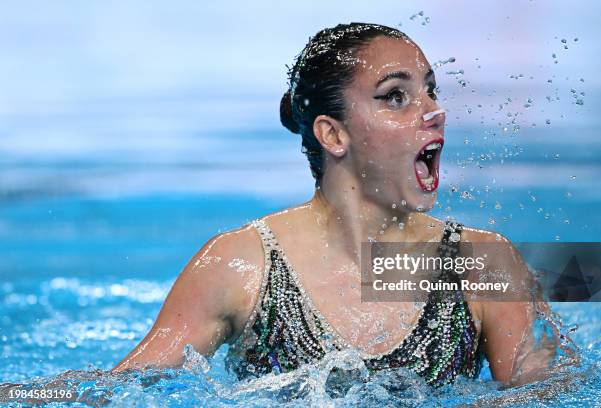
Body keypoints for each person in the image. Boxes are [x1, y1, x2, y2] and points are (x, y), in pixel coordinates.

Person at [113, 23, 558, 388]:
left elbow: (550, 392)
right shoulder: (238, 266)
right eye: (396, 97)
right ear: (333, 135)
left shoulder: (482, 265)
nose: (433, 112)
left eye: (431, 92)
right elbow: (118, 391)